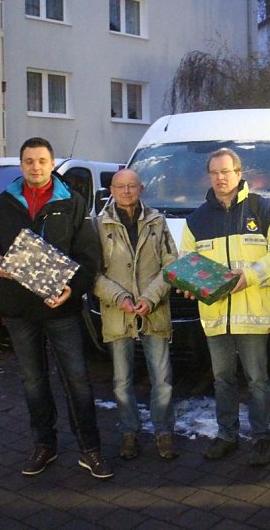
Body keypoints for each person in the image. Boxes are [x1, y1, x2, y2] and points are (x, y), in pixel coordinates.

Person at [0, 137, 112, 479]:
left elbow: (88, 257)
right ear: (21, 165)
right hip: (19, 310)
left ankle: (89, 449)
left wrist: (73, 290)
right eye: (28, 161)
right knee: (33, 381)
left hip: (61, 310)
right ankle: (44, 446)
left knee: (78, 380)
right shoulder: (3, 203)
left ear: (52, 164)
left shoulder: (72, 203)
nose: (35, 167)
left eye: (41, 161)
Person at [180, 148, 270, 466]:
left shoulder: (264, 210)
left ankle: (261, 438)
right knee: (222, 379)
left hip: (253, 313)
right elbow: (187, 262)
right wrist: (190, 284)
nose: (220, 178)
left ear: (239, 173)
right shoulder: (196, 220)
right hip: (216, 315)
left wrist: (250, 276)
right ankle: (226, 435)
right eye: (215, 172)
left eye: (226, 172)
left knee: (258, 379)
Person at [95, 168, 179, 462]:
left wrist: (149, 298)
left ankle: (163, 431)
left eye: (132, 186)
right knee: (121, 380)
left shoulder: (157, 222)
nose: (127, 191)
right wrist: (119, 297)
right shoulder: (99, 225)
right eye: (121, 186)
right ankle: (129, 432)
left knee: (162, 378)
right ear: (112, 190)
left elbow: (172, 266)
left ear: (141, 189)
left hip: (153, 310)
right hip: (118, 313)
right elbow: (92, 274)